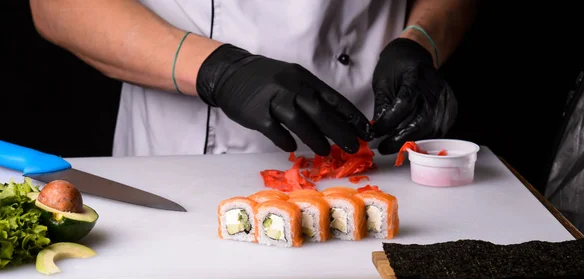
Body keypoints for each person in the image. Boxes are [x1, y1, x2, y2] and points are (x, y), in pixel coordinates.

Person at [29, 0, 478, 157]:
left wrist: (421, 41)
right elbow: (56, 7)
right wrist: (220, 72)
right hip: (184, 155)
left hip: (373, 133)